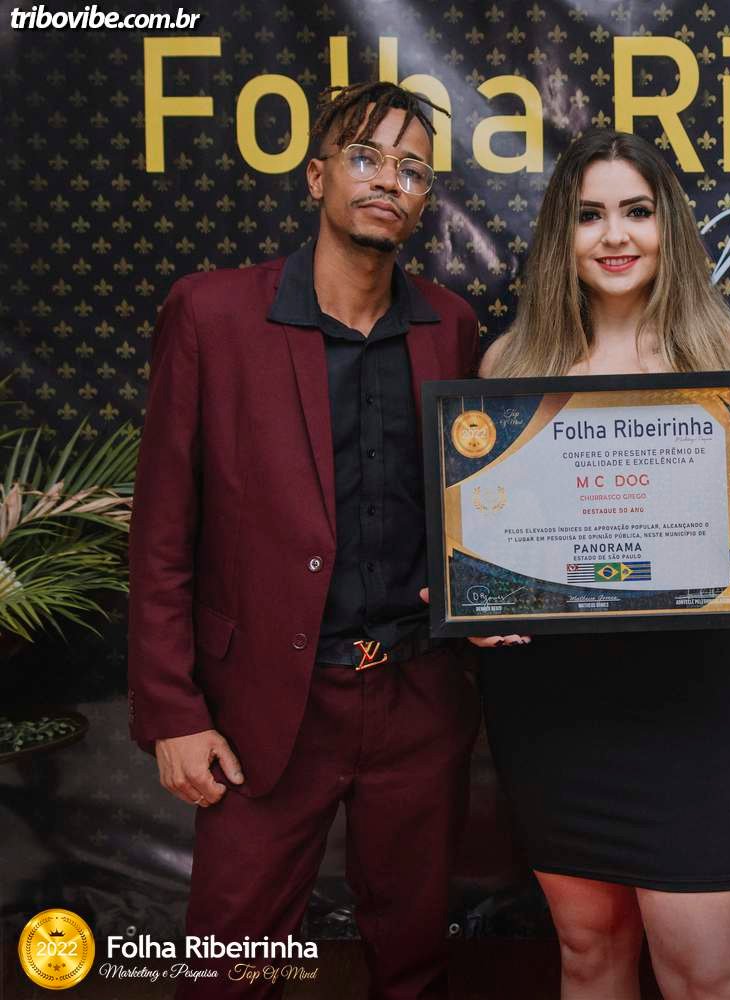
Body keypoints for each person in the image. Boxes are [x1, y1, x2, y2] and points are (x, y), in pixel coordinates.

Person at [127, 82, 480, 999]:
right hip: (264, 705)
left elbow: (476, 507)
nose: (389, 181)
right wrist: (173, 712)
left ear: (425, 201)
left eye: (412, 169)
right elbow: (161, 533)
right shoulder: (211, 314)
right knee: (229, 968)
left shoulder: (450, 325)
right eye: (366, 158)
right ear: (317, 176)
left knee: (415, 959)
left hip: (417, 695)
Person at [475, 129, 730, 1000]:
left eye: (637, 211)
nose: (615, 235)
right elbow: (494, 540)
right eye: (590, 216)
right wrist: (478, 603)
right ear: (562, 234)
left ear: (670, 226)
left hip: (684, 706)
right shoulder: (511, 363)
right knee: (589, 954)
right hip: (553, 713)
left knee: (704, 971)